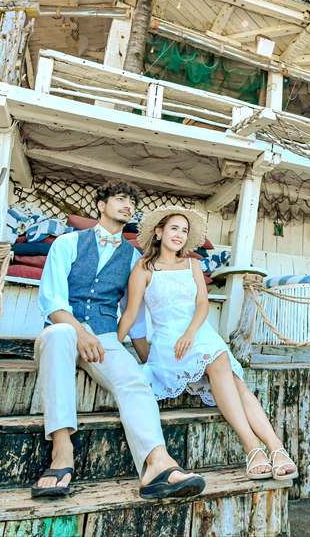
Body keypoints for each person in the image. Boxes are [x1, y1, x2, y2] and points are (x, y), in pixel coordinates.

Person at [31, 182, 205, 499]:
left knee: (135, 380)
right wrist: (80, 332)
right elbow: (52, 301)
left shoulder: (133, 259)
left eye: (132, 203)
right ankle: (61, 450)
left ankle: (157, 464)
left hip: (104, 336)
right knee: (59, 334)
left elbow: (133, 315)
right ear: (101, 204)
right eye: (120, 199)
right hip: (63, 330)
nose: (128, 205)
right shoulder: (68, 243)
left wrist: (148, 359)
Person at [119, 206, 297, 481]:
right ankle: (260, 448)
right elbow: (131, 313)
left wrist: (190, 333)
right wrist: (111, 347)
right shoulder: (144, 269)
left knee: (226, 369)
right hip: (169, 342)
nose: (179, 235)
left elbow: (203, 304)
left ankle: (269, 449)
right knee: (227, 370)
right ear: (159, 232)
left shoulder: (193, 265)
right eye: (174, 228)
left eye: (184, 230)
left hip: (198, 333)